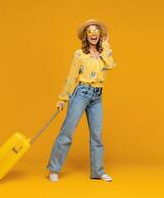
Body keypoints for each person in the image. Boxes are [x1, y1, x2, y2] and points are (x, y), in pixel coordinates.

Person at [46, 19, 117, 182]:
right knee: (67, 132)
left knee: (97, 136)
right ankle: (54, 169)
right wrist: (62, 98)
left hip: (97, 96)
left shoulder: (104, 53)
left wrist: (106, 47)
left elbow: (111, 65)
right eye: (90, 31)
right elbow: (71, 77)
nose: (93, 34)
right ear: (86, 35)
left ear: (100, 34)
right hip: (81, 93)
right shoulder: (79, 54)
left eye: (96, 31)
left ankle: (97, 172)